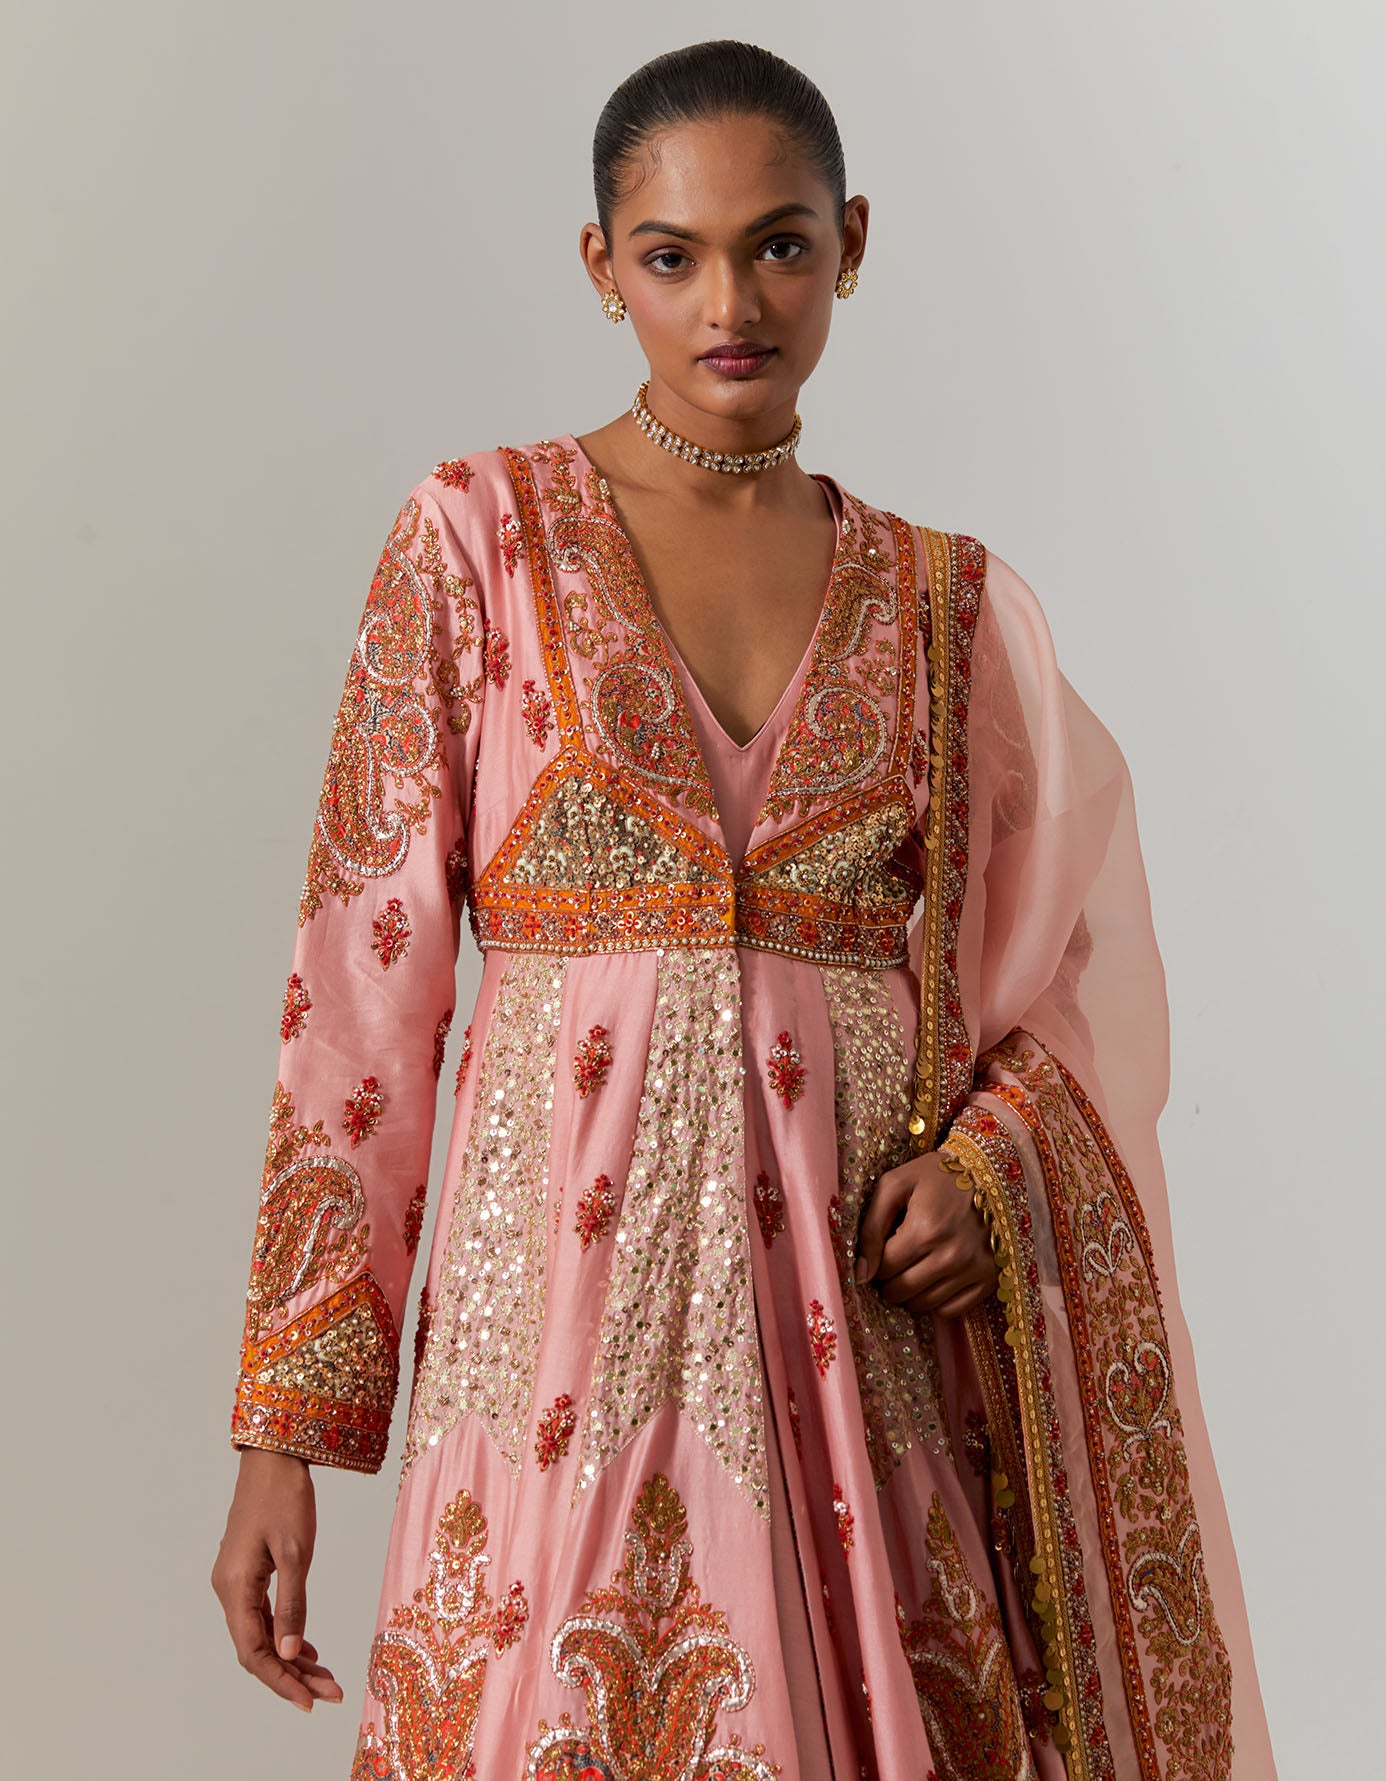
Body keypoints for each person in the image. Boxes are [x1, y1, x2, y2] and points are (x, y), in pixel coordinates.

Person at [211, 38, 1278, 1781]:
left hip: (854, 1363)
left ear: (849, 243)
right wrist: (286, 1430)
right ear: (600, 265)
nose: (731, 303)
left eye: (778, 244)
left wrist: (989, 1164)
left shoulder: (940, 605)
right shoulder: (480, 540)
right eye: (672, 255)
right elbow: (360, 988)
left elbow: (1058, 973)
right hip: (546, 1356)